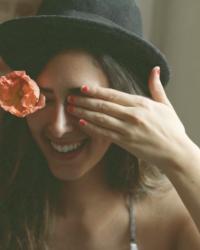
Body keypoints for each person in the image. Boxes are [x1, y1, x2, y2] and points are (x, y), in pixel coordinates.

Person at [0, 0, 200, 249]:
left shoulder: (176, 217)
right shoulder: (7, 207)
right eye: (44, 100)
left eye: (82, 102)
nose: (58, 127)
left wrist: (182, 155)